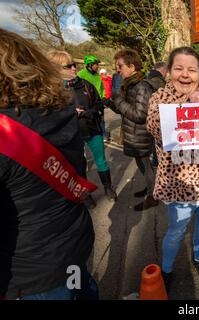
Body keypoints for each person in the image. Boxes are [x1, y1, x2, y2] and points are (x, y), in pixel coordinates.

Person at [0, 29, 98, 300]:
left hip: (32, 275)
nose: (74, 68)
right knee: (79, 287)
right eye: (67, 65)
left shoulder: (7, 132)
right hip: (73, 247)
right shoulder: (58, 110)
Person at [146, 47, 199, 291]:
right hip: (178, 184)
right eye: (179, 68)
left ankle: (198, 259)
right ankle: (167, 268)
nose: (185, 75)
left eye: (191, 69)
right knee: (176, 231)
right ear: (169, 72)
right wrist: (186, 107)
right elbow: (154, 128)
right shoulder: (159, 98)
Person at [47, 50, 117, 208]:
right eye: (69, 66)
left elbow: (99, 104)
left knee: (101, 161)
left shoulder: (86, 84)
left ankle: (108, 188)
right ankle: (86, 195)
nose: (74, 68)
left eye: (74, 65)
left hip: (92, 129)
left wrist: (90, 112)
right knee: (78, 165)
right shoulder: (52, 90)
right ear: (56, 69)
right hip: (70, 135)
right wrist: (71, 113)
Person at [109, 49, 158, 211]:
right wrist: (111, 103)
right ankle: (150, 188)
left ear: (131, 66)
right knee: (144, 166)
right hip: (134, 134)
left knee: (145, 165)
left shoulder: (142, 86)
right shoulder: (131, 84)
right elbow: (127, 110)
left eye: (120, 66)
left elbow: (139, 115)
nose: (117, 70)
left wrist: (118, 100)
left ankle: (153, 196)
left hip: (140, 136)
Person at [146, 61, 168, 168]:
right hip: (159, 116)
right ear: (162, 70)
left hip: (150, 116)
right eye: (166, 71)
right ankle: (156, 161)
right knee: (158, 141)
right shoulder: (159, 81)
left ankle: (155, 161)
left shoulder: (148, 78)